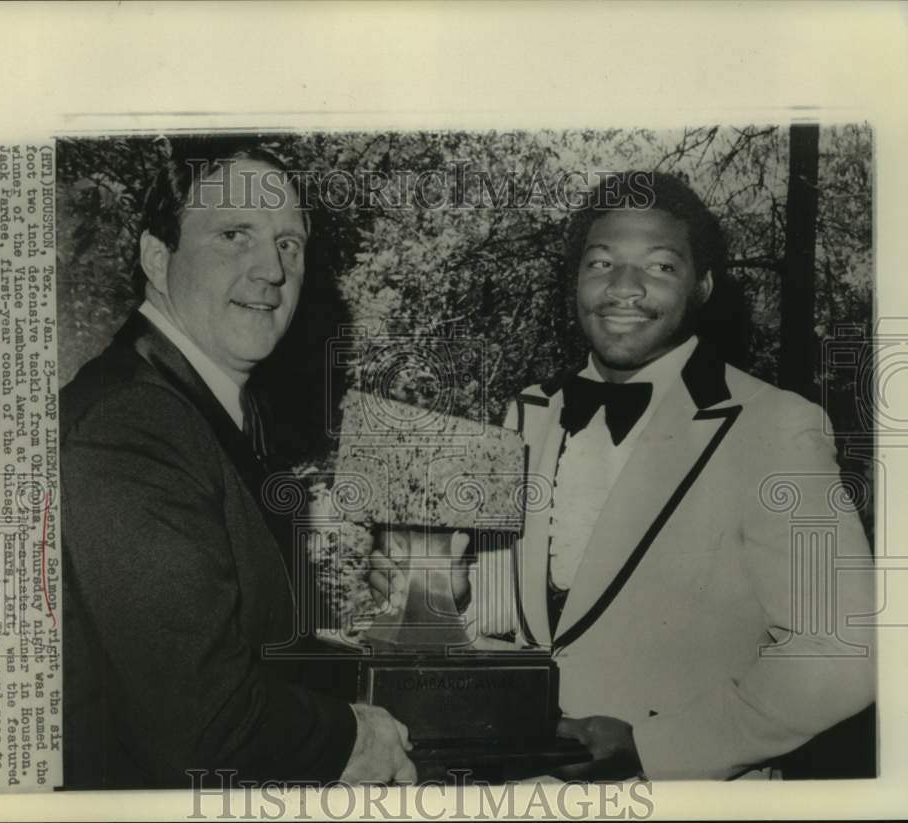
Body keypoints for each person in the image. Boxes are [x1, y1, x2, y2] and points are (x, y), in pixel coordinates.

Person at [371, 172, 875, 780]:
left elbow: (843, 653)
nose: (624, 288)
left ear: (704, 286)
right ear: (576, 280)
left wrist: (656, 747)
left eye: (660, 267)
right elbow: (519, 619)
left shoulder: (779, 427)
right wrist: (445, 599)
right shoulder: (527, 414)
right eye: (602, 262)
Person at [61, 137, 416, 789]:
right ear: (156, 256)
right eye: (234, 234)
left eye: (289, 243)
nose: (272, 270)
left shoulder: (196, 410)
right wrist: (357, 733)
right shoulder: (131, 423)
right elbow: (202, 723)